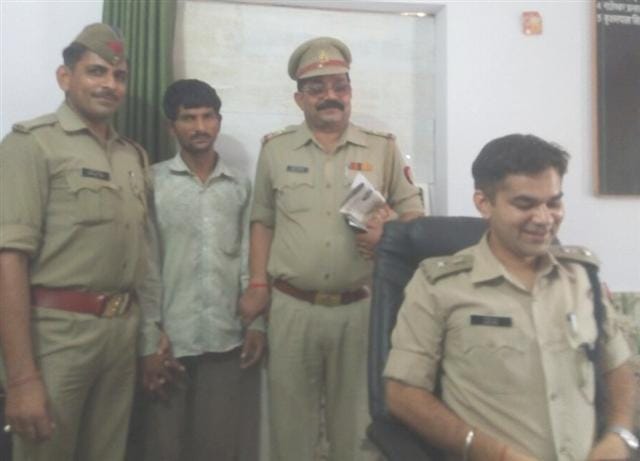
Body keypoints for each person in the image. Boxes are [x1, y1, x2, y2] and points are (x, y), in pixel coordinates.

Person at [384, 134, 637, 461]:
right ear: (484, 203)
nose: (544, 218)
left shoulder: (581, 277)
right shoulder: (440, 285)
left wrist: (619, 434)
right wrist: (494, 452)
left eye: (554, 203)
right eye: (524, 204)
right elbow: (402, 393)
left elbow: (618, 367)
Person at [238, 37, 424, 461]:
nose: (330, 96)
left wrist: (389, 232)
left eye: (340, 86)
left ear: (350, 92)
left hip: (359, 310)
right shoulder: (276, 149)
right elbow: (262, 220)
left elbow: (414, 216)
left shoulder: (382, 148)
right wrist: (258, 284)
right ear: (299, 98)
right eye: (317, 88)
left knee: (356, 430)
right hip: (292, 309)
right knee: (291, 429)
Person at [0, 23, 152, 461]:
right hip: (56, 338)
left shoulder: (132, 155)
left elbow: (143, 253)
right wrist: (21, 379)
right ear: (65, 77)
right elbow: (9, 259)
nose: (109, 85)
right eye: (96, 71)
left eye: (119, 76)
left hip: (120, 334)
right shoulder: (32, 144)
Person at [137, 79, 264, 461]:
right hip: (169, 340)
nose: (200, 127)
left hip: (225, 338)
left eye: (208, 117)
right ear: (170, 126)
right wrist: (149, 337)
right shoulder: (153, 183)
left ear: (219, 121)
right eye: (188, 118)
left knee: (218, 448)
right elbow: (145, 264)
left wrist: (256, 324)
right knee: (163, 447)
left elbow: (250, 259)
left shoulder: (239, 186)